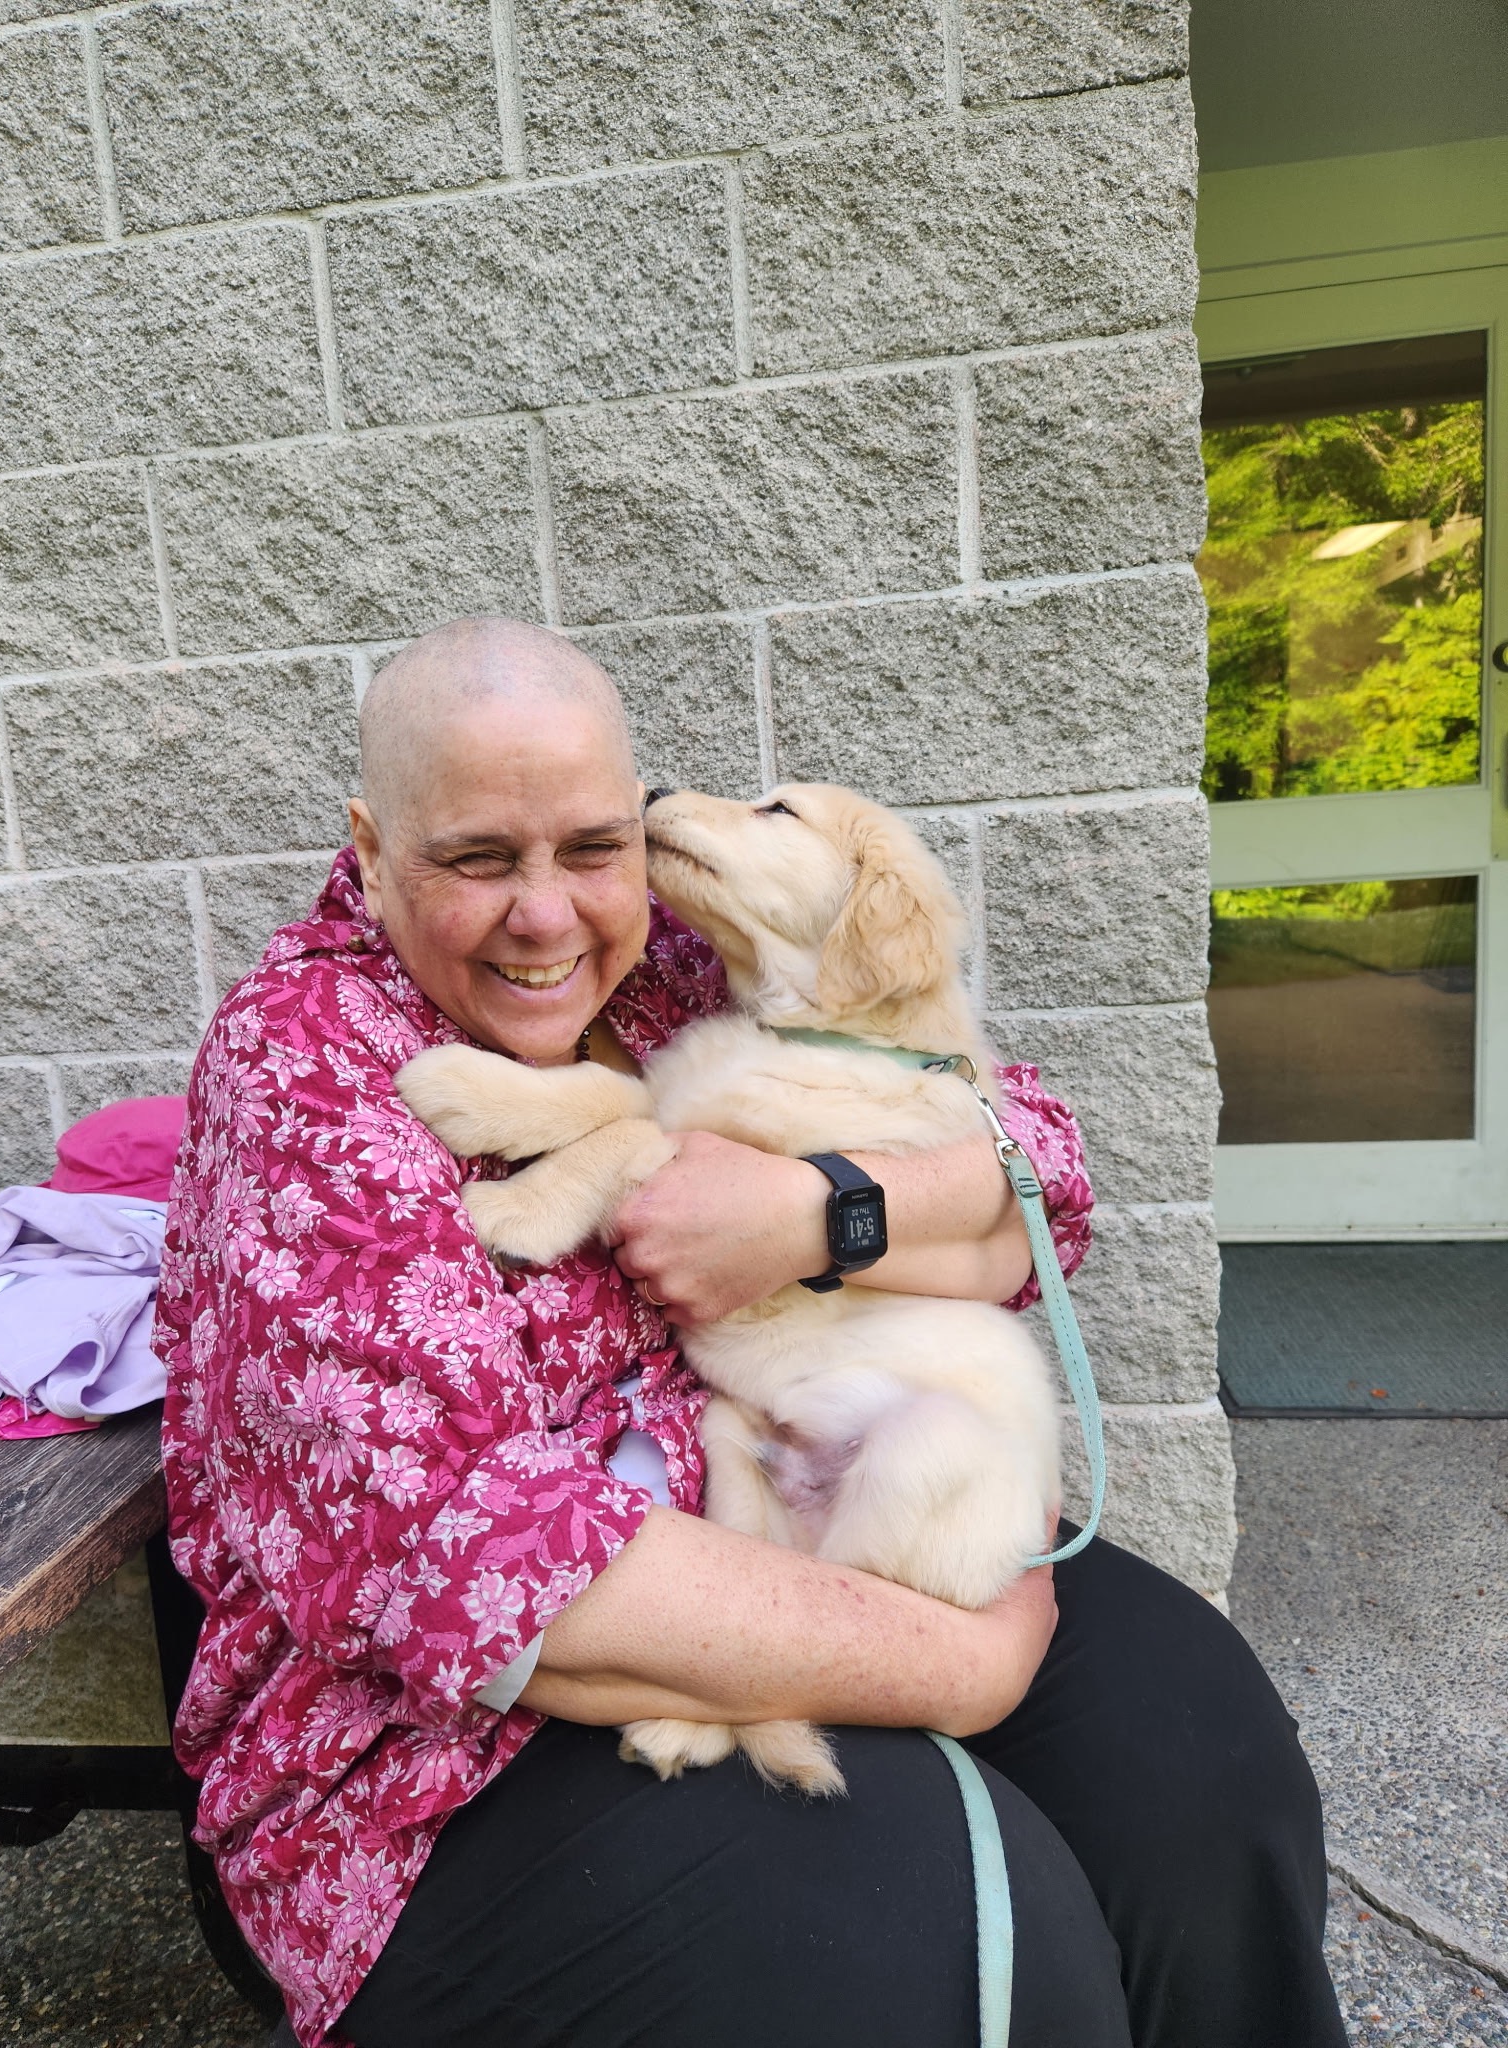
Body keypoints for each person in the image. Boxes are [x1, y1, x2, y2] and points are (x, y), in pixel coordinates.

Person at [157, 618, 1347, 2048]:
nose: (547, 915)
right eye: (477, 859)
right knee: (961, 1937)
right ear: (370, 843)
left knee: (1203, 1767)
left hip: (818, 1513)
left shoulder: (666, 951)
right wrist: (964, 1661)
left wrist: (822, 1210)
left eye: (593, 846)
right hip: (444, 1748)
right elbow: (456, 1562)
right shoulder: (301, 1059)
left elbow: (1038, 1165)